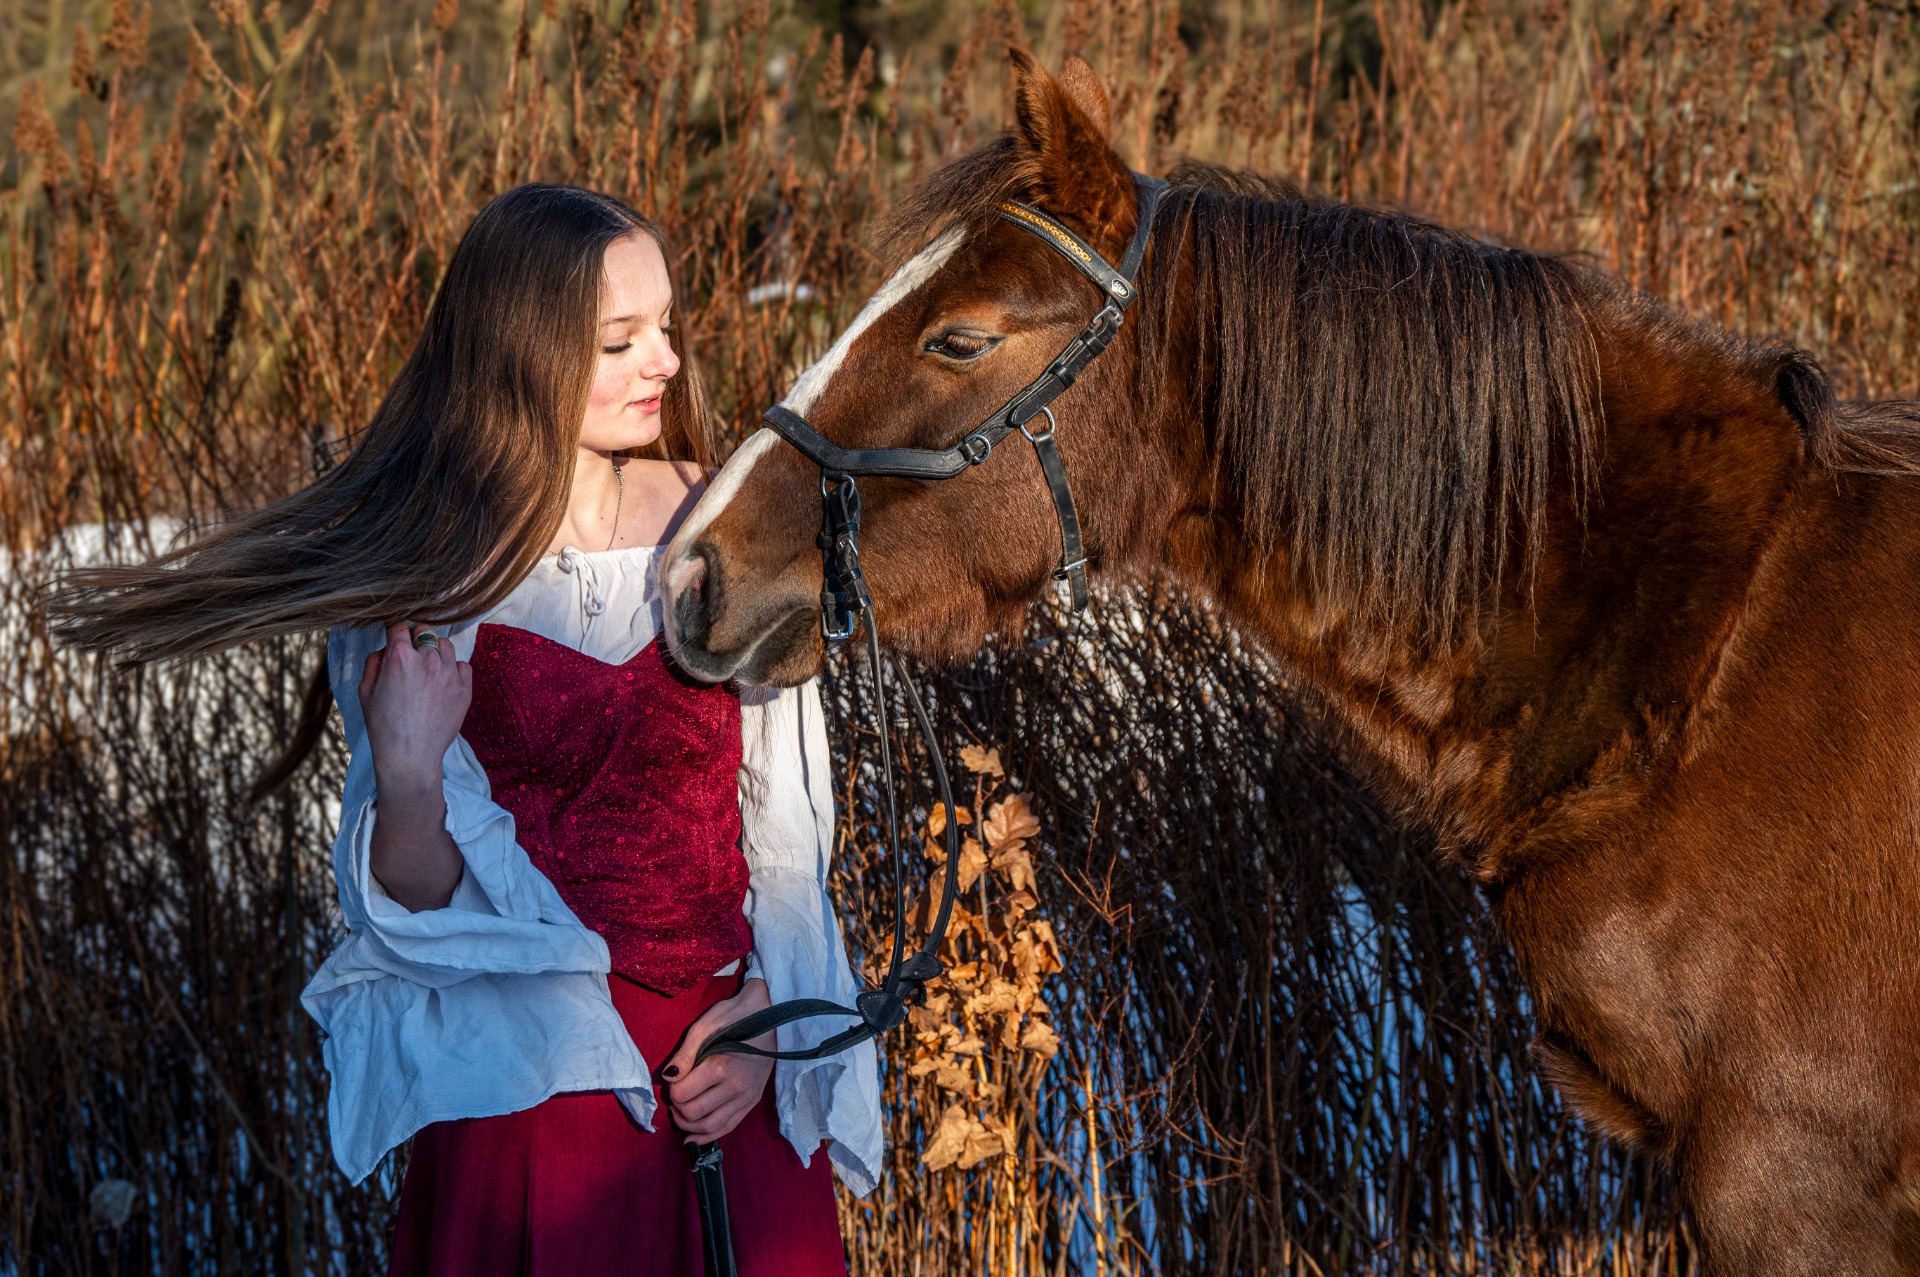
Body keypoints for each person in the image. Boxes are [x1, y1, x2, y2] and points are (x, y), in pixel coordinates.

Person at [48, 184, 880, 1276]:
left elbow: (786, 826)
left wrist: (772, 1012)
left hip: (725, 1066)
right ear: (521, 350)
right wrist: (405, 766)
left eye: (667, 327)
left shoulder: (727, 527)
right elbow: (420, 900)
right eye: (620, 339)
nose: (666, 361)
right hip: (526, 1084)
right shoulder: (430, 581)